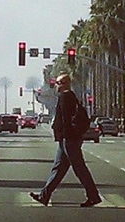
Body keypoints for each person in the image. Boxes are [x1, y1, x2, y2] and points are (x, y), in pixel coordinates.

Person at [29, 72, 102, 207]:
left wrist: (66, 135)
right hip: (67, 139)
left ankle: (94, 196)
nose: (55, 85)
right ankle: (44, 196)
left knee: (79, 168)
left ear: (63, 84)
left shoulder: (65, 97)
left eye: (57, 83)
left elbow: (65, 119)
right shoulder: (71, 97)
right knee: (58, 169)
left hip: (69, 139)